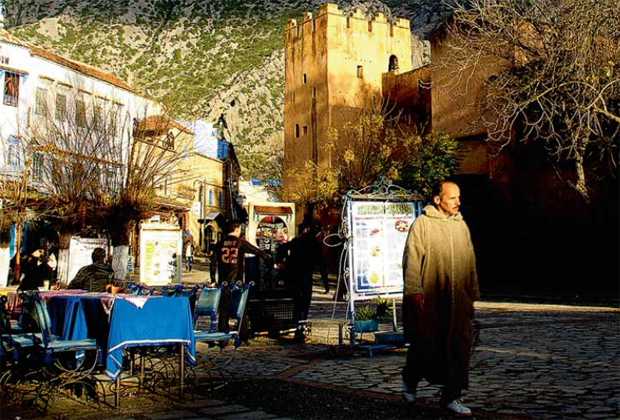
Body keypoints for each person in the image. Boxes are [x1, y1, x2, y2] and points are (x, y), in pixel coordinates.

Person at [401, 180, 480, 417]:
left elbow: (470, 262)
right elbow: (412, 259)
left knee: (459, 347)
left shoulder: (461, 226)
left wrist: (472, 294)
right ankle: (410, 380)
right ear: (438, 199)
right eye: (452, 197)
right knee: (425, 344)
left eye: (459, 197)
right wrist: (414, 290)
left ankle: (451, 396)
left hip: (459, 302)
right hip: (432, 300)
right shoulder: (422, 224)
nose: (458, 202)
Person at [210, 221, 273, 336]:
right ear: (237, 229)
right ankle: (243, 334)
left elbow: (213, 263)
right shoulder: (240, 243)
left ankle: (222, 334)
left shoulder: (219, 244)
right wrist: (270, 260)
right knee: (241, 307)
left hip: (223, 281)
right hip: (237, 280)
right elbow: (256, 251)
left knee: (223, 309)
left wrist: (213, 279)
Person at [276, 221, 329, 340]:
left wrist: (282, 262)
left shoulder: (296, 241)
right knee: (304, 304)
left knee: (296, 303)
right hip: (305, 275)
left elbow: (282, 248)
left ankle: (295, 327)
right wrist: (325, 282)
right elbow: (321, 264)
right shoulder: (315, 244)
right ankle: (299, 330)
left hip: (293, 275)